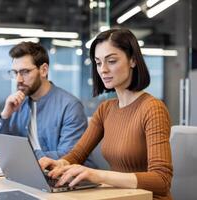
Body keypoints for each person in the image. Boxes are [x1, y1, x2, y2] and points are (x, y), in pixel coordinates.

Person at [39, 28, 173, 200]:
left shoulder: (153, 108)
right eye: (98, 62)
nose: (103, 69)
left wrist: (97, 175)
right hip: (119, 196)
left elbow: (161, 180)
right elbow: (78, 155)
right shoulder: (106, 109)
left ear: (132, 60)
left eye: (111, 61)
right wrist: (60, 163)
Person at [0, 41, 88, 163]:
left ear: (43, 70)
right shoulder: (17, 103)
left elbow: (69, 155)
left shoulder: (70, 106)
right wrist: (5, 115)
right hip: (22, 173)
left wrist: (18, 155)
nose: (18, 79)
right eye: (15, 73)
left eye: (25, 72)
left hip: (59, 177)